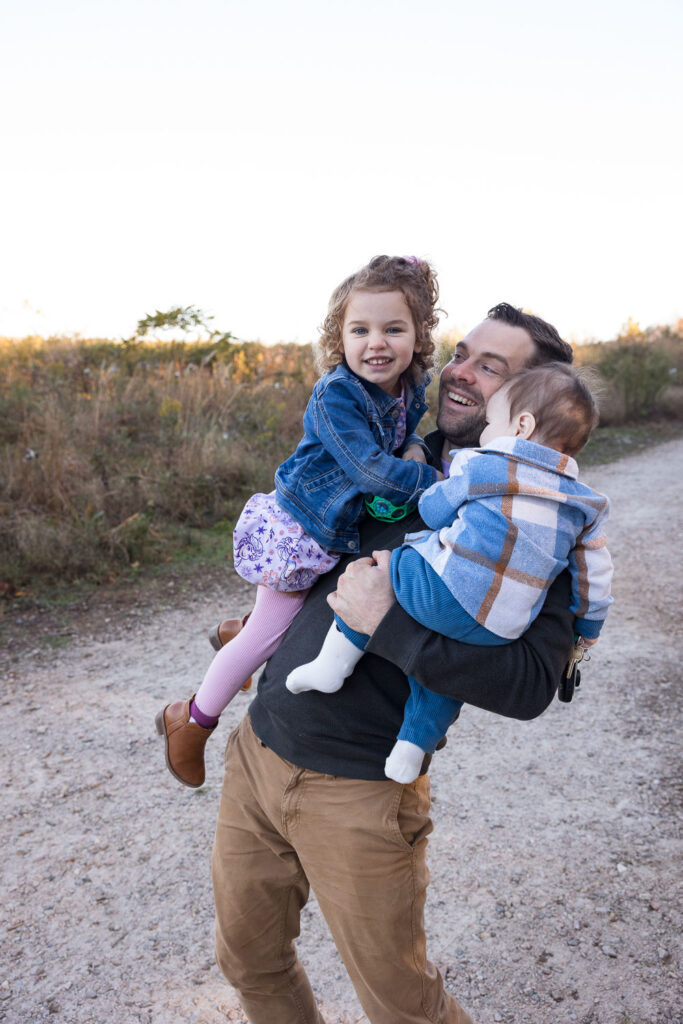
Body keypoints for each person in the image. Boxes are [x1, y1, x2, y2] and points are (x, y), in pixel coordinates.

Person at [210, 302, 579, 1024]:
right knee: (251, 965)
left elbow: (532, 685)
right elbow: (320, 560)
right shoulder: (399, 452)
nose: (459, 371)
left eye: (490, 366)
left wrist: (388, 626)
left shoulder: (535, 518)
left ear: (529, 404)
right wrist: (253, 633)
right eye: (463, 352)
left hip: (358, 790)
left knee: (402, 1006)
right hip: (257, 751)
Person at [156, 255, 444, 787]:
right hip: (301, 529)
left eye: (393, 329)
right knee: (267, 638)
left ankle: (236, 628)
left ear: (419, 336)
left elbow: (403, 435)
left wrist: (417, 446)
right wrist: (440, 485)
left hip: (335, 528)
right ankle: (192, 720)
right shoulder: (337, 395)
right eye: (360, 330)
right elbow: (369, 469)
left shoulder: (409, 385)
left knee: (296, 613)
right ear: (340, 336)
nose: (375, 343)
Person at [286, 361, 613, 783]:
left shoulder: (484, 465)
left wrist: (431, 501)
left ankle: (334, 662)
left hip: (441, 593)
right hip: (499, 627)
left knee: (388, 566)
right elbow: (596, 577)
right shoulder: (585, 504)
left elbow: (433, 509)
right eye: (461, 355)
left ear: (523, 426)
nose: (485, 428)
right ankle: (413, 744)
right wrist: (589, 623)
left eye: (493, 419)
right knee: (444, 679)